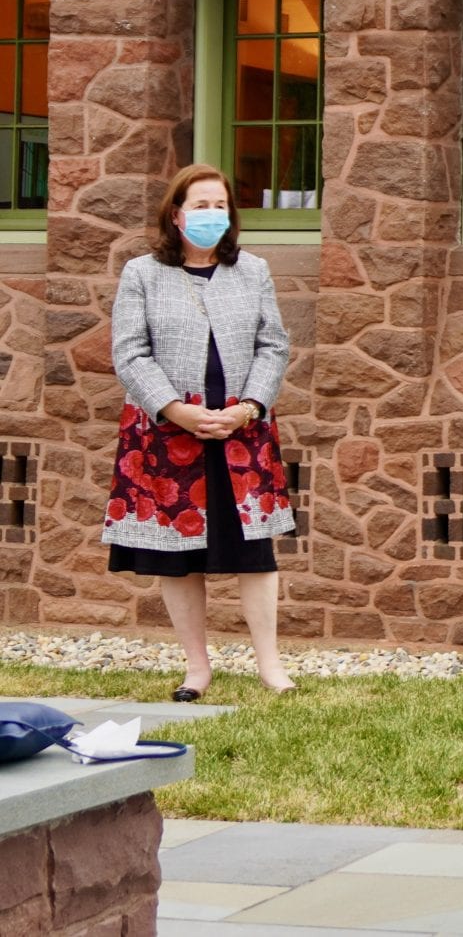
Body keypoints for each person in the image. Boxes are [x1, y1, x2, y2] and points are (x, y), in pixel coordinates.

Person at [105, 164, 296, 698]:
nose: (213, 214)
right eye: (201, 205)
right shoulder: (142, 273)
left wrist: (249, 407)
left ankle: (271, 668)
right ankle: (197, 668)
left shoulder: (252, 271)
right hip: (169, 435)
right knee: (177, 554)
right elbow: (129, 352)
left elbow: (273, 345)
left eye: (221, 206)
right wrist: (174, 410)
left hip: (243, 433)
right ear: (176, 213)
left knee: (254, 552)